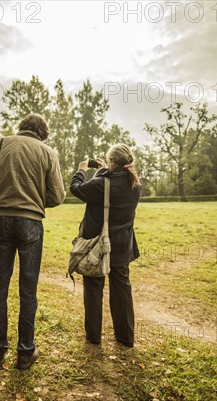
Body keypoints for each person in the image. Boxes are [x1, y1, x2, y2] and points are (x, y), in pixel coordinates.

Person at [0, 113, 65, 370]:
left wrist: (3, 192)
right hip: (31, 224)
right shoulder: (48, 153)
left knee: (0, 286)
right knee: (28, 290)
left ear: (21, 127)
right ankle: (25, 353)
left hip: (2, 219)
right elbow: (57, 196)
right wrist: (35, 198)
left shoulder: (1, 144)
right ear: (43, 132)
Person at [69, 144, 142, 348]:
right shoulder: (135, 184)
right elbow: (108, 183)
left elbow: (76, 188)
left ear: (112, 162)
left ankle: (94, 337)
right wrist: (103, 170)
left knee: (93, 288)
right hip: (122, 245)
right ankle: (126, 337)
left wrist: (82, 170)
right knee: (122, 290)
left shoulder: (101, 184)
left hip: (98, 246)